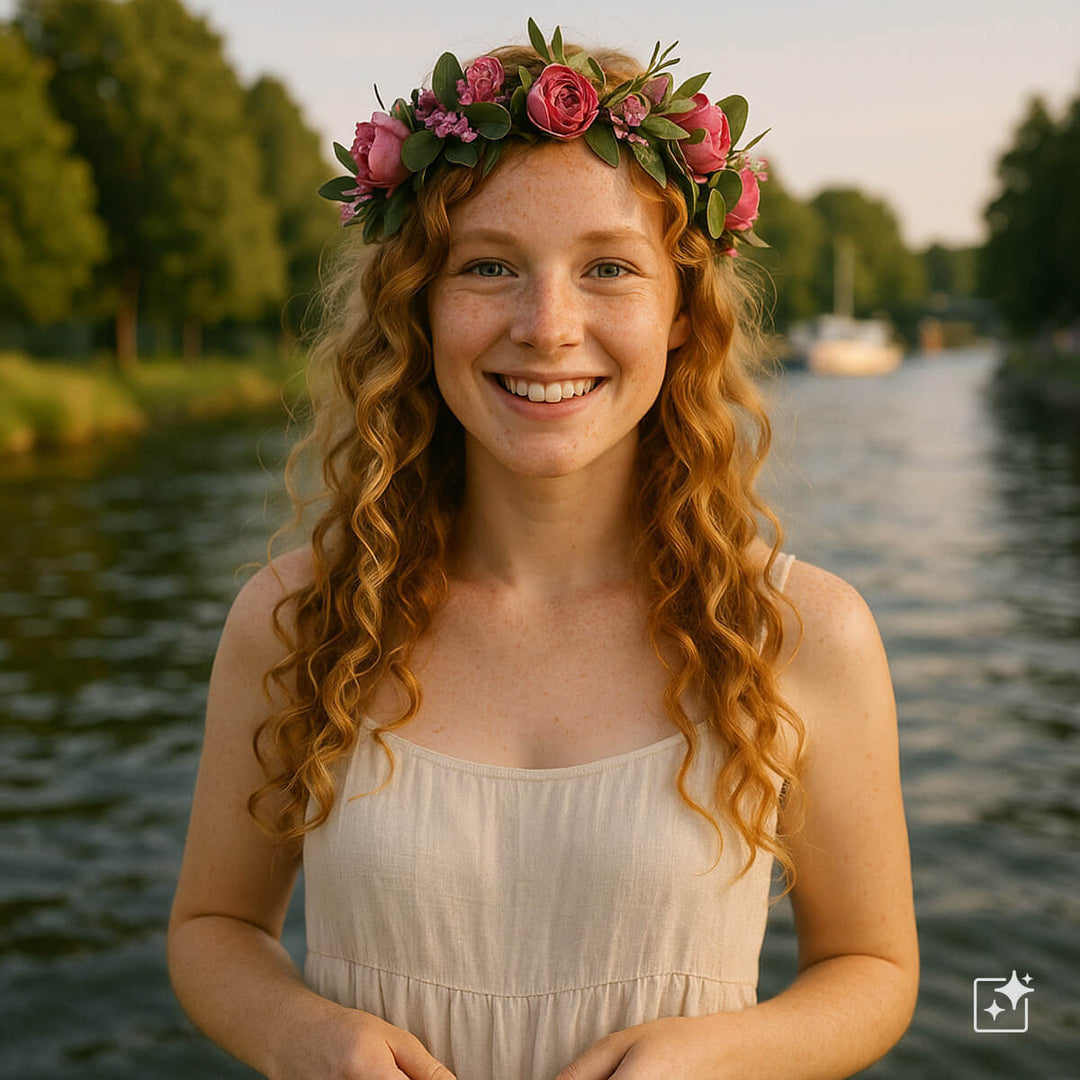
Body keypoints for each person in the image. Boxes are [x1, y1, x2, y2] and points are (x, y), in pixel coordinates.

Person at [167, 19, 918, 1080]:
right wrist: (301, 1034)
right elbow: (211, 927)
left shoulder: (799, 632)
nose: (548, 325)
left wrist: (719, 1058)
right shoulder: (298, 619)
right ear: (418, 310)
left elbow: (874, 967)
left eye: (608, 267)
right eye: (488, 266)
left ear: (681, 316)